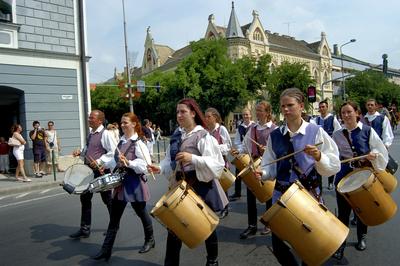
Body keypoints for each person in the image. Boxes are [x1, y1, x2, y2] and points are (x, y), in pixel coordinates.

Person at [259, 88, 340, 265]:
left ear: (301, 106)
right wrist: (262, 173)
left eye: (290, 105)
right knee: (279, 245)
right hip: (281, 197)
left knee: (309, 245)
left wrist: (319, 156)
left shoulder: (316, 131)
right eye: (283, 106)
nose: (286, 109)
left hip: (308, 197)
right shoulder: (275, 136)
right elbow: (269, 166)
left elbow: (334, 165)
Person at [148, 98, 227, 266]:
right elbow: (170, 159)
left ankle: (212, 261)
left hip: (201, 186)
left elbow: (217, 165)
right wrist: (159, 167)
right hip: (181, 188)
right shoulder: (177, 135)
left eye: (183, 111)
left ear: (193, 113)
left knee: (207, 226)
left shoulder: (204, 136)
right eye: (177, 112)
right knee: (175, 227)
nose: (179, 115)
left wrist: (193, 158)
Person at [93, 113, 155, 261]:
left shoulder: (139, 143)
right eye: (121, 123)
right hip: (120, 183)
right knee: (114, 218)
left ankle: (150, 239)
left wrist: (129, 162)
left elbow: (144, 166)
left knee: (141, 212)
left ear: (134, 124)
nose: (122, 125)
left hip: (134, 183)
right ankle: (106, 250)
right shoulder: (120, 142)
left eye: (125, 122)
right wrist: (104, 165)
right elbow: (115, 161)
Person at [331, 101, 388, 260]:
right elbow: (331, 155)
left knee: (362, 209)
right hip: (344, 176)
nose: (346, 115)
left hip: (363, 176)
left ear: (357, 113)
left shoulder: (368, 131)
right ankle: (340, 244)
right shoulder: (336, 134)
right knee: (343, 213)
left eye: (349, 112)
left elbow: (379, 148)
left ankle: (362, 236)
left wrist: (373, 154)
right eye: (343, 113)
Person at [69, 110, 116, 239]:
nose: (89, 119)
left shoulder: (105, 134)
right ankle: (85, 229)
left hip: (100, 171)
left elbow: (113, 153)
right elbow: (88, 149)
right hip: (88, 171)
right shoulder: (90, 134)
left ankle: (114, 226)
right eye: (89, 117)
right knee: (84, 198)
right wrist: (81, 152)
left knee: (107, 200)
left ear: (100, 120)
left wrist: (100, 161)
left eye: (91, 118)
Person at [235, 101, 277, 239]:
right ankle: (252, 226)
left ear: (268, 112)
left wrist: (269, 150)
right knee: (251, 196)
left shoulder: (275, 129)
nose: (258, 113)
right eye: (257, 110)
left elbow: (280, 150)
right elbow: (244, 146)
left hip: (269, 166)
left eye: (260, 110)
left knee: (269, 196)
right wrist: (238, 151)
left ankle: (269, 223)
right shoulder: (252, 129)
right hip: (253, 166)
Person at [205, 107, 232, 219]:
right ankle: (215, 207)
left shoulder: (221, 129)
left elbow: (228, 146)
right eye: (205, 117)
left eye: (208, 117)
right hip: (209, 164)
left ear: (215, 117)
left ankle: (225, 208)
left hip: (221, 163)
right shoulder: (206, 131)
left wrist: (215, 148)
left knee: (223, 186)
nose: (206, 119)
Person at [311, 99, 342, 190]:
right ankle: (319, 184)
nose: (321, 108)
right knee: (318, 163)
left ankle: (330, 182)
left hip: (329, 145)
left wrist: (333, 142)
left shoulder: (333, 118)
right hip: (319, 146)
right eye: (320, 107)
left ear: (327, 107)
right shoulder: (316, 119)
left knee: (330, 161)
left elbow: (338, 131)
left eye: (323, 107)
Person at [229, 108, 255, 201]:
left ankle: (255, 191)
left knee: (253, 174)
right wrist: (239, 150)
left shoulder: (254, 126)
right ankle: (237, 192)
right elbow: (237, 141)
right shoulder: (240, 127)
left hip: (252, 153)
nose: (245, 116)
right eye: (244, 115)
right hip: (242, 152)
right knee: (238, 173)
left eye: (247, 114)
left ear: (251, 115)